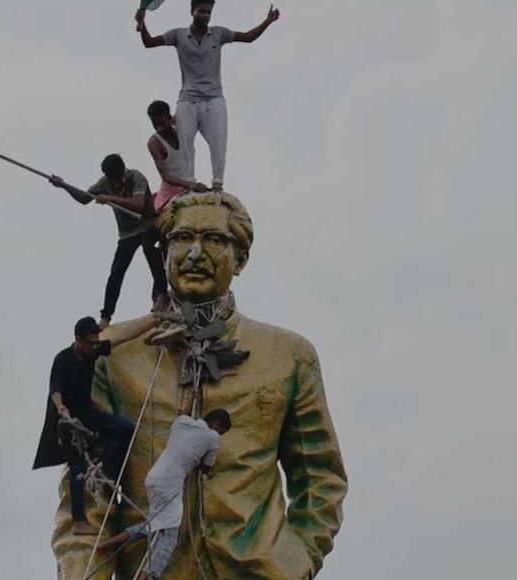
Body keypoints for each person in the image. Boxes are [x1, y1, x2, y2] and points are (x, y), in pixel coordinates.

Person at [51, 192, 348, 579]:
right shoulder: (115, 356)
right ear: (163, 253)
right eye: (182, 238)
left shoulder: (289, 356)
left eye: (214, 239)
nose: (194, 253)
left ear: (240, 258)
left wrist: (296, 560)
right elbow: (89, 487)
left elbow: (320, 478)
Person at [135, 0, 280, 191]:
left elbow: (248, 37)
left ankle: (218, 182)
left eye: (208, 12)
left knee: (218, 139)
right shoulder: (179, 35)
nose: (205, 15)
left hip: (214, 97)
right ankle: (189, 183)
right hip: (188, 98)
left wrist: (267, 22)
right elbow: (149, 43)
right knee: (185, 138)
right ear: (192, 11)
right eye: (201, 11)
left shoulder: (218, 34)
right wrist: (142, 24)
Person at [33, 315, 156, 536]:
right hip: (69, 422)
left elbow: (123, 338)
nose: (93, 347)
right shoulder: (63, 359)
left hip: (89, 414)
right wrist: (61, 408)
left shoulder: (93, 350)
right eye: (89, 343)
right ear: (77, 339)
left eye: (95, 343)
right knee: (77, 466)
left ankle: (105, 469)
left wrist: (154, 322)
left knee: (126, 429)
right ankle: (79, 521)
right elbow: (56, 389)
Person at [96, 389, 232, 580]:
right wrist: (200, 461)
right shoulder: (213, 437)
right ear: (217, 424)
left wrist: (190, 400)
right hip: (170, 484)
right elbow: (206, 468)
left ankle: (109, 544)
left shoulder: (182, 423)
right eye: (221, 431)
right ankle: (147, 577)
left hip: (154, 478)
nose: (220, 435)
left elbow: (182, 413)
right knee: (169, 538)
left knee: (154, 525)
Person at [50, 154, 169, 329]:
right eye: (115, 180)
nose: (119, 182)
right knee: (116, 271)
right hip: (127, 233)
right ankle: (106, 316)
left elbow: (138, 203)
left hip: (148, 224)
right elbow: (84, 198)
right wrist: (64, 186)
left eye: (120, 177)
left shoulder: (136, 177)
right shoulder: (104, 183)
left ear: (123, 172)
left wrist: (111, 198)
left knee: (148, 246)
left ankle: (161, 293)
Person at [146, 99, 208, 214]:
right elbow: (166, 176)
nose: (159, 128)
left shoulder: (179, 125)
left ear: (169, 118)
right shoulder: (154, 143)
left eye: (162, 123)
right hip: (171, 191)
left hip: (189, 185)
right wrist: (191, 185)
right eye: (155, 124)